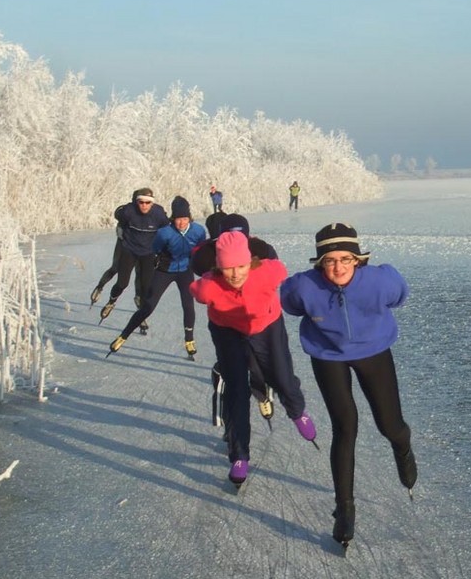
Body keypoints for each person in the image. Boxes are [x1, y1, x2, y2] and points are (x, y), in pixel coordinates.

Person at [280, 223, 416, 547]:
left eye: (345, 259)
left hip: (373, 350)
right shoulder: (304, 287)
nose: (338, 267)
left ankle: (403, 446)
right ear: (319, 263)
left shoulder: (381, 281)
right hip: (327, 353)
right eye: (329, 260)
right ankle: (344, 510)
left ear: (358, 259)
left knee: (390, 425)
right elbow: (289, 301)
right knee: (346, 427)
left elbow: (400, 294)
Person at [190, 231, 317, 486]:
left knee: (280, 375)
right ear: (217, 266)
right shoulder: (208, 288)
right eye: (227, 268)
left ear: (251, 261)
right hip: (227, 331)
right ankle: (239, 455)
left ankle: (296, 410)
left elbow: (280, 267)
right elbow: (196, 287)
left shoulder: (269, 273)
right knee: (237, 389)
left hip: (266, 324)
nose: (236, 274)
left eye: (241, 266)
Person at [192, 213, 279, 427]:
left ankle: (262, 392)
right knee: (233, 370)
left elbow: (272, 274)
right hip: (226, 323)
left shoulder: (262, 251)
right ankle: (231, 424)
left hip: (253, 319)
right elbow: (199, 269)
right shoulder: (207, 255)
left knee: (257, 363)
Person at [109, 196, 206, 358]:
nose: (181, 223)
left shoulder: (198, 231)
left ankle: (189, 339)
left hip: (185, 271)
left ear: (189, 218)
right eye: (178, 219)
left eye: (184, 219)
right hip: (165, 271)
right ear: (172, 219)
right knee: (148, 306)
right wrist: (162, 258)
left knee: (188, 305)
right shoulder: (164, 233)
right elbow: (155, 250)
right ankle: (123, 335)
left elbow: (200, 250)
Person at [99, 188, 169, 322]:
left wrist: (163, 252)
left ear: (152, 203)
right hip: (129, 250)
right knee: (122, 283)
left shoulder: (159, 215)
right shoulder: (129, 211)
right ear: (136, 202)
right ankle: (111, 302)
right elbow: (119, 217)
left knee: (146, 287)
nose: (144, 205)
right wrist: (121, 235)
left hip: (148, 253)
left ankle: (141, 315)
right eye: (141, 202)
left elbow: (166, 231)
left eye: (147, 203)